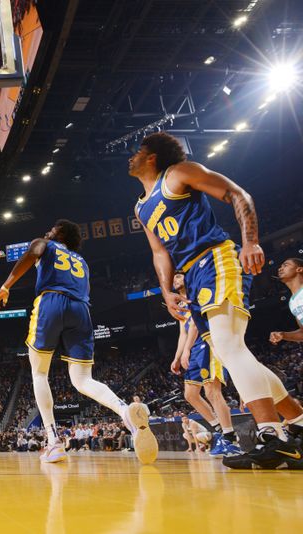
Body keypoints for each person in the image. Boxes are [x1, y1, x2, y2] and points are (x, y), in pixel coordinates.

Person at [130, 131, 303, 469]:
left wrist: (250, 241)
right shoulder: (140, 207)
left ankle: (272, 436)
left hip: (216, 258)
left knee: (228, 346)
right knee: (233, 350)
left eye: (138, 150)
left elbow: (238, 194)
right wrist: (166, 290)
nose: (131, 157)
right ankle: (297, 424)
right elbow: (159, 252)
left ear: (152, 157)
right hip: (192, 278)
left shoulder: (179, 173)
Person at [0, 220, 157, 464]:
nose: (48, 230)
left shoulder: (44, 243)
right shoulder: (82, 262)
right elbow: (85, 290)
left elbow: (30, 253)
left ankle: (53, 441)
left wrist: (5, 286)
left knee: (39, 373)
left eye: (53, 229)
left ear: (61, 235)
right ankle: (125, 411)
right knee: (82, 380)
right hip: (81, 309)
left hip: (52, 301)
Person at [170, 272, 241, 457]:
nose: (175, 280)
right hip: (192, 348)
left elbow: (194, 325)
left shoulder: (196, 293)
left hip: (207, 342)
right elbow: (183, 333)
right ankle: (218, 430)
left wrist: (186, 350)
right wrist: (177, 357)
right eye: (174, 279)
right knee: (190, 394)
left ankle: (231, 438)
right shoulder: (179, 305)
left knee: (211, 391)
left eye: (179, 276)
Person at [270, 258, 303, 345]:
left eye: (285, 265)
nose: (280, 268)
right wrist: (283, 335)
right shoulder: (292, 302)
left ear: (299, 269)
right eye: (280, 266)